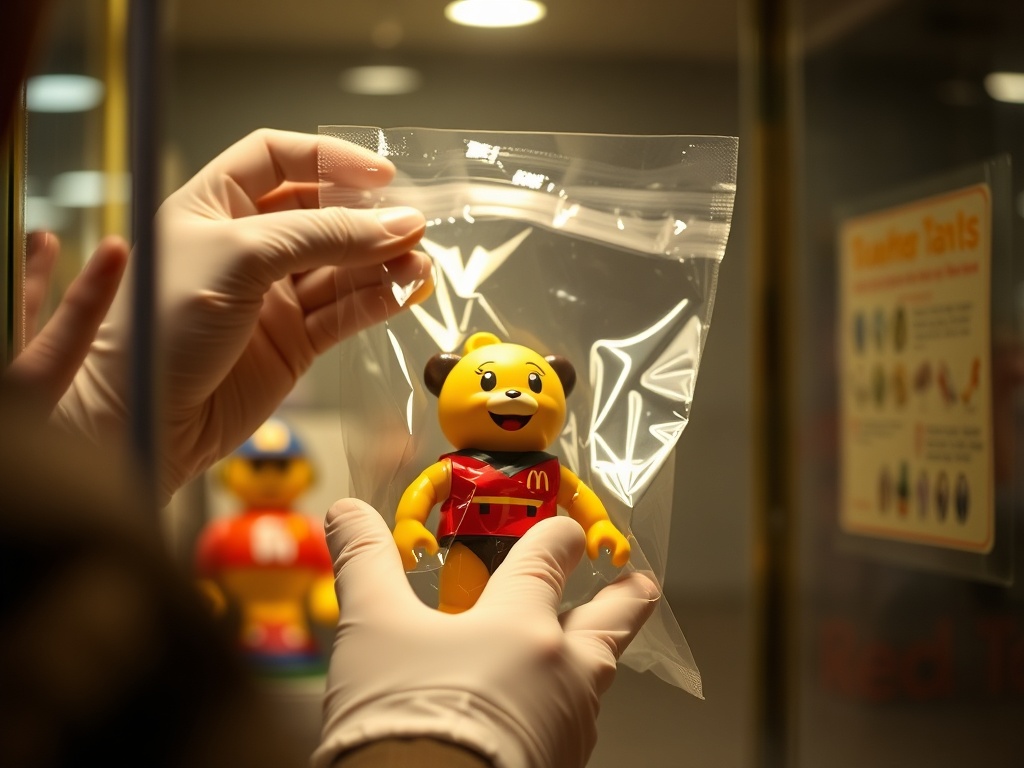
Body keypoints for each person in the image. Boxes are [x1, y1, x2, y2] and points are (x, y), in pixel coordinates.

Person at [1, 4, 660, 768]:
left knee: (523, 612)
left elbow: (579, 500)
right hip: (463, 549)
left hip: (531, 553)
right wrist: (444, 738)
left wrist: (91, 451)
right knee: (466, 601)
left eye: (527, 389)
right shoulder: (71, 591)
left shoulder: (59, 572)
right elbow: (424, 496)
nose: (512, 399)